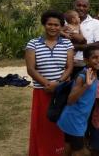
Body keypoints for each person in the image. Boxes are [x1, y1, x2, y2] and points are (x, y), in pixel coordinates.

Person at [26, 10, 74, 156]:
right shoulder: (33, 44)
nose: (53, 28)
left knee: (57, 126)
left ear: (61, 26)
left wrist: (58, 84)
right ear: (44, 25)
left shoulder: (67, 43)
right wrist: (47, 84)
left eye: (56, 25)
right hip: (42, 92)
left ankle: (57, 152)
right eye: (49, 24)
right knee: (41, 126)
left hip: (60, 92)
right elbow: (30, 69)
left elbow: (69, 67)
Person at [57, 45, 99, 156]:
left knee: (68, 147)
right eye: (95, 57)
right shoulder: (82, 76)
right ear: (86, 60)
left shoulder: (94, 73)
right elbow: (70, 100)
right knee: (78, 152)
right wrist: (86, 85)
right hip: (74, 119)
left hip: (78, 119)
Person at [70, 0, 99, 79]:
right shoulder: (65, 22)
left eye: (84, 6)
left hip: (86, 65)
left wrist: (75, 47)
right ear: (74, 5)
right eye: (79, 5)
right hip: (66, 64)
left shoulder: (96, 23)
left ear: (88, 8)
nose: (81, 8)